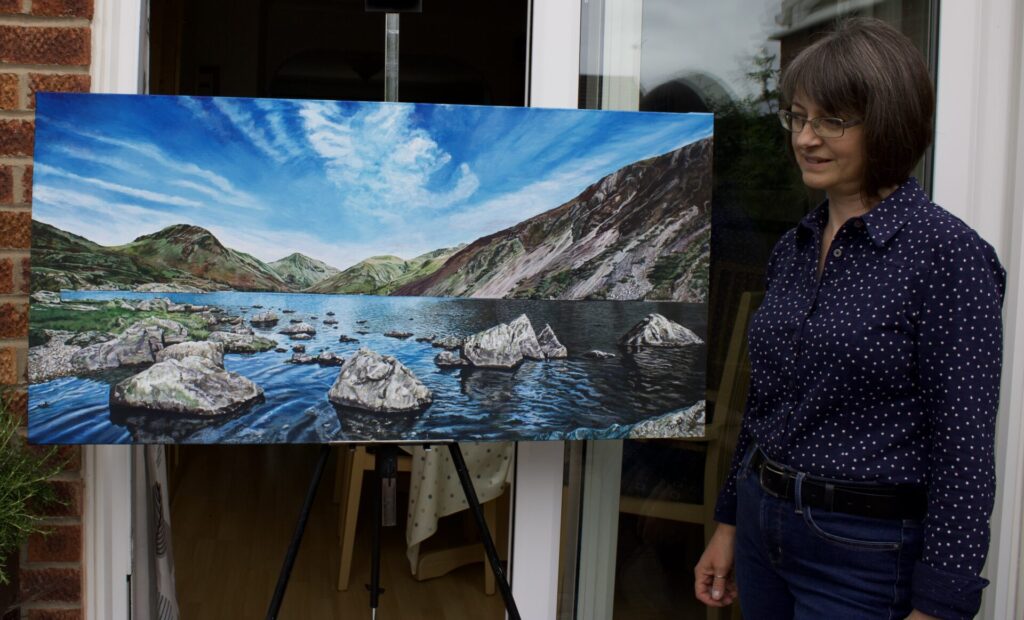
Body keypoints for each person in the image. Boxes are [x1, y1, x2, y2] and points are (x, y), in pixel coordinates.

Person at [694, 17, 1005, 620]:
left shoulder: (949, 255)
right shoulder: (796, 245)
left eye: (833, 120)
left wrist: (942, 604)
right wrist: (730, 521)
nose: (806, 138)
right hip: (764, 528)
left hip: (863, 556)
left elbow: (963, 450)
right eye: (798, 116)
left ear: (888, 121)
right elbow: (765, 406)